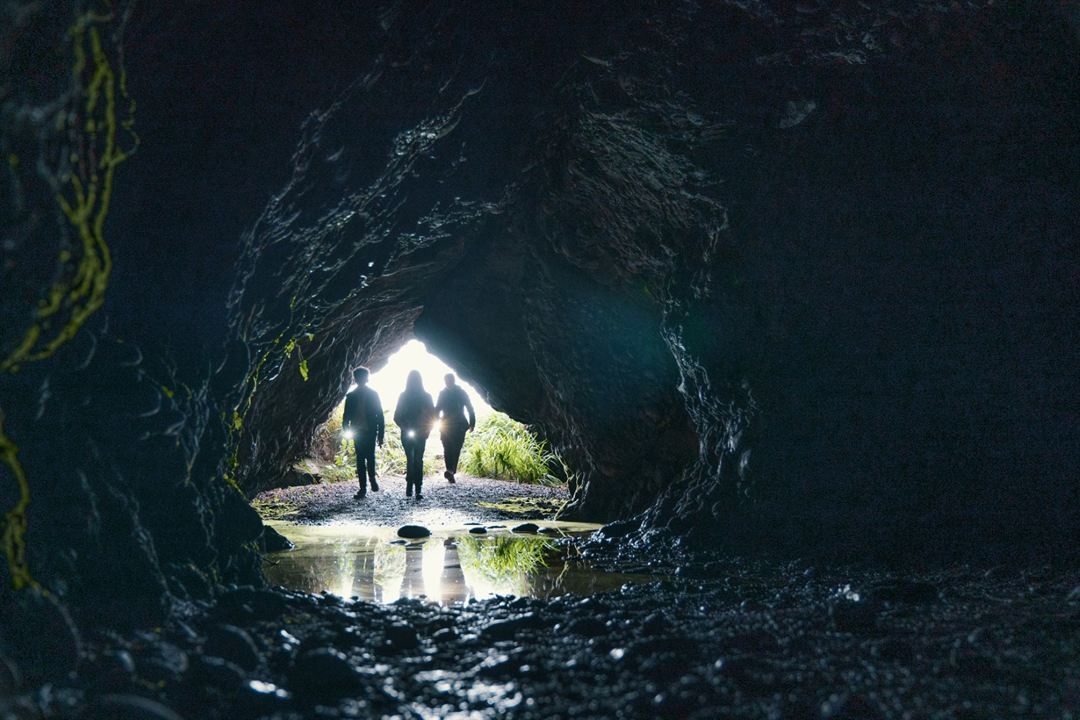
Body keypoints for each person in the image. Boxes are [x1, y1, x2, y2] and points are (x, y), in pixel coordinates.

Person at [342, 367, 385, 499]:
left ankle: (371, 478)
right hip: (359, 432)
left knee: (369, 457)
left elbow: (380, 415)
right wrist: (345, 430)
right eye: (359, 377)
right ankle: (363, 488)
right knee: (361, 459)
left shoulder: (373, 394)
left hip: (370, 431)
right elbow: (346, 416)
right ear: (357, 379)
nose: (361, 379)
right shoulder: (351, 396)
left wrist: (380, 434)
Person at [393, 370, 436, 500]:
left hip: (409, 432)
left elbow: (396, 416)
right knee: (417, 460)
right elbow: (432, 417)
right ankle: (417, 489)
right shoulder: (426, 396)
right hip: (419, 432)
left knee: (411, 460)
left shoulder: (404, 396)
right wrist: (427, 430)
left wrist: (404, 427)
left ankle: (411, 488)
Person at [435, 373, 475, 484]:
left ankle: (451, 471)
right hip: (446, 425)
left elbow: (470, 408)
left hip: (459, 426)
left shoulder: (461, 393)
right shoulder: (442, 394)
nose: (447, 383)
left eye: (449, 380)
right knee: (447, 448)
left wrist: (472, 423)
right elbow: (437, 408)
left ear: (453, 381)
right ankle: (450, 470)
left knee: (456, 449)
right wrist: (435, 419)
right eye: (446, 381)